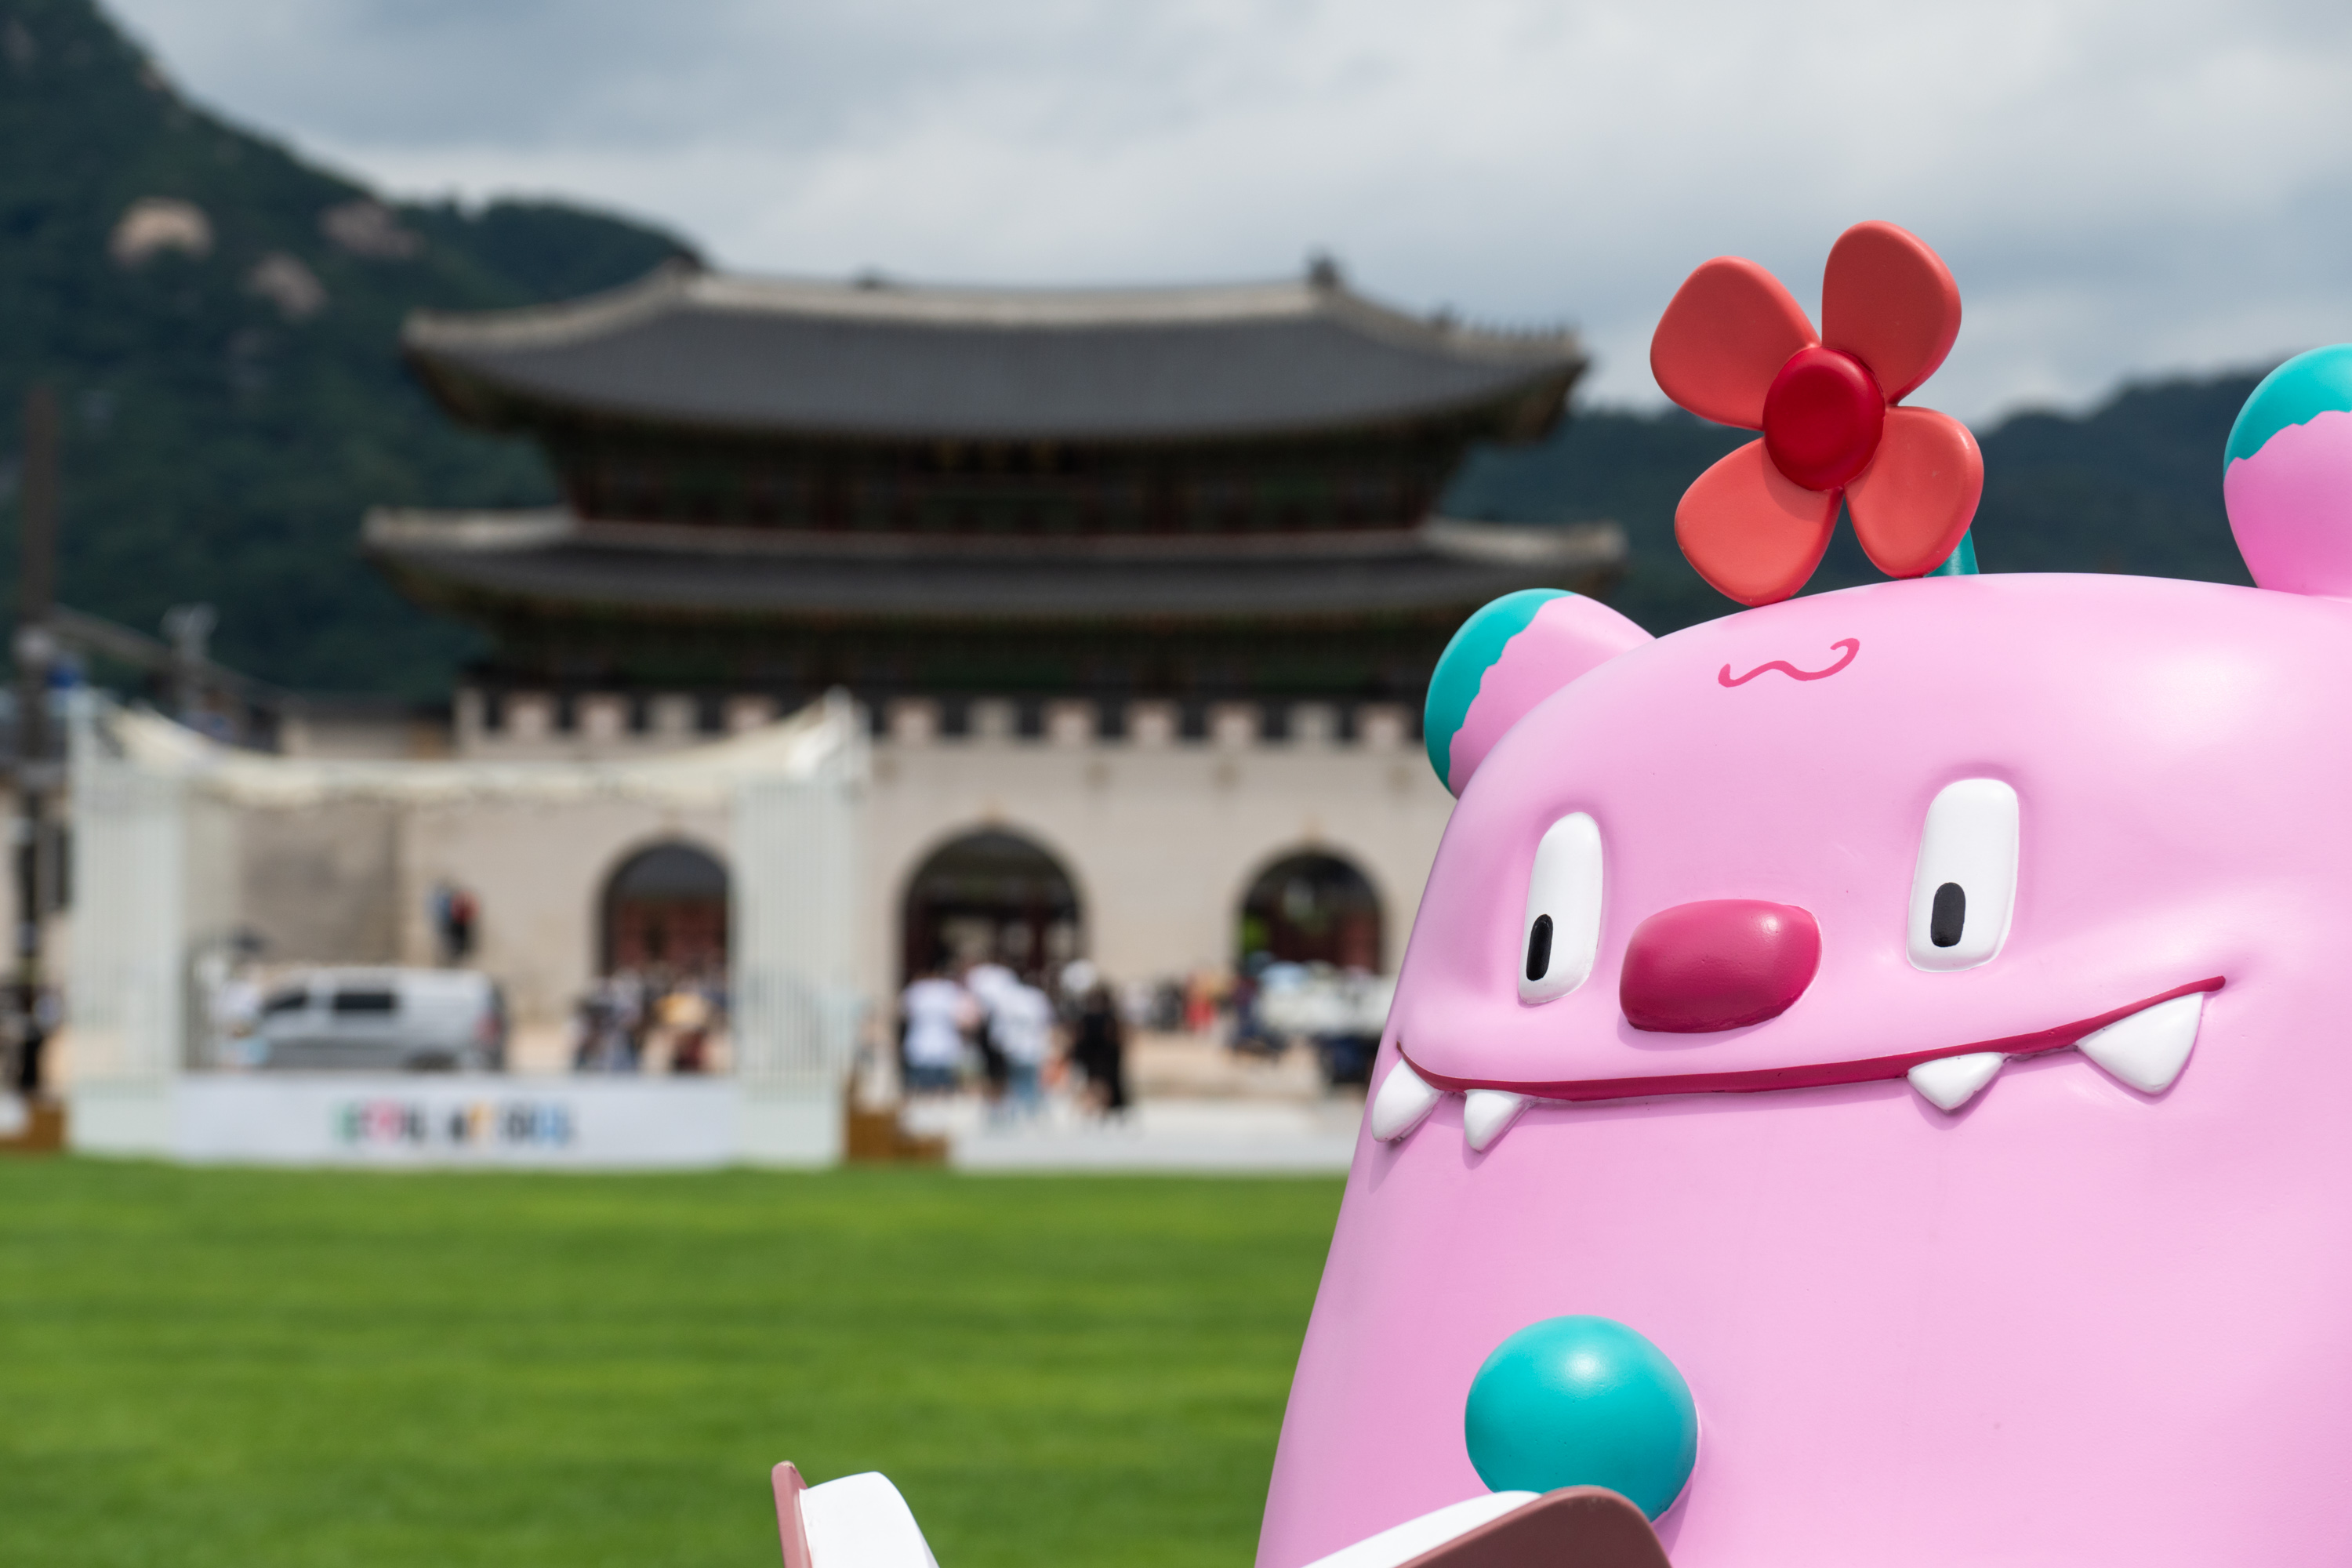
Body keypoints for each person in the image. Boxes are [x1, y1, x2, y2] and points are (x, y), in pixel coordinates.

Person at [899, 966, 973, 1095]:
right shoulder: (951, 991)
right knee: (941, 1093)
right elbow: (966, 1020)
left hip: (922, 1048)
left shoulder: (916, 990)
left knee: (921, 1092)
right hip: (943, 1048)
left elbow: (902, 1013)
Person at [992, 978, 1054, 1120]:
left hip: (1015, 1048)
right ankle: (1028, 1114)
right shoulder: (1037, 997)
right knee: (1029, 1083)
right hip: (1031, 1048)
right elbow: (1048, 1022)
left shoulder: (1007, 998)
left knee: (1017, 1083)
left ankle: (1020, 1114)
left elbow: (997, 1030)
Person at [1069, 981, 1128, 1118]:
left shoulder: (1093, 1018)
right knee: (1101, 1084)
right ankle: (1097, 1109)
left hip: (1100, 1057)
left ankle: (1097, 1109)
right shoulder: (1105, 1018)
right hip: (1101, 1057)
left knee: (1099, 1084)